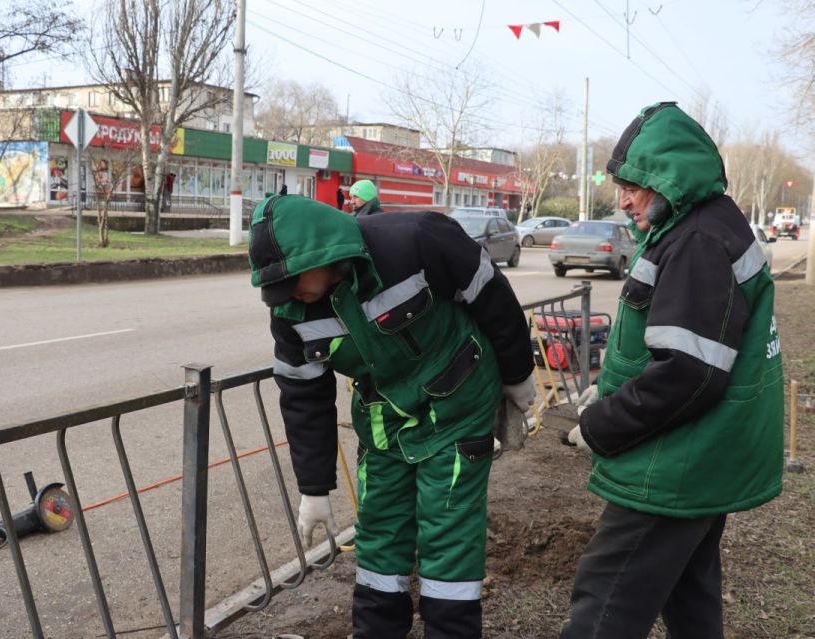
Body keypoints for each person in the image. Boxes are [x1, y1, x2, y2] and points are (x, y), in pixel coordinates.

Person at [248, 195, 536, 639]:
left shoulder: (416, 240)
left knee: (448, 531)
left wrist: (517, 376)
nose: (286, 296)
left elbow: (493, 299)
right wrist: (313, 487)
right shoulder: (291, 313)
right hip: (385, 422)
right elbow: (304, 399)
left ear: (323, 255)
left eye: (290, 282)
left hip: (457, 407)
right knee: (379, 531)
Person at [562, 102, 784, 639]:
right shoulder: (700, 224)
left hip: (674, 464)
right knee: (690, 595)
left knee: (605, 603)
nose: (623, 200)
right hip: (701, 456)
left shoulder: (697, 241)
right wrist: (612, 387)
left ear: (668, 181)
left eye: (633, 187)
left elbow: (689, 373)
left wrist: (600, 424)